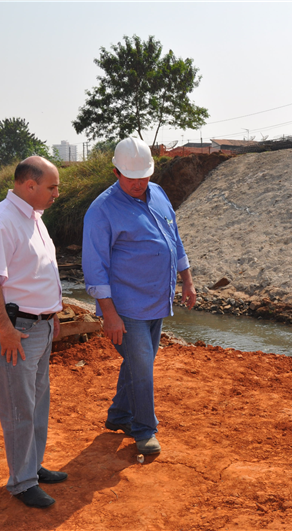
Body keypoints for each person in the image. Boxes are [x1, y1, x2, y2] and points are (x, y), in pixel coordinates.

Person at [82, 137, 196, 456]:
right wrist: (109, 314)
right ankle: (145, 430)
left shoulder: (157, 194)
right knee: (143, 367)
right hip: (126, 306)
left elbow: (175, 239)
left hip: (157, 301)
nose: (139, 183)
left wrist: (187, 280)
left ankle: (119, 415)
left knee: (138, 363)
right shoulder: (102, 211)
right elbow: (94, 267)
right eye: (131, 177)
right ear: (116, 171)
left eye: (144, 175)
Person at [0, 156, 66, 509]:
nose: (56, 193)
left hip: (39, 326)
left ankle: (33, 465)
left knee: (37, 401)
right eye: (52, 187)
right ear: (30, 185)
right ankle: (22, 481)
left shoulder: (33, 218)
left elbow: (39, 272)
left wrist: (52, 313)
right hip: (17, 330)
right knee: (19, 408)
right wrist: (5, 330)